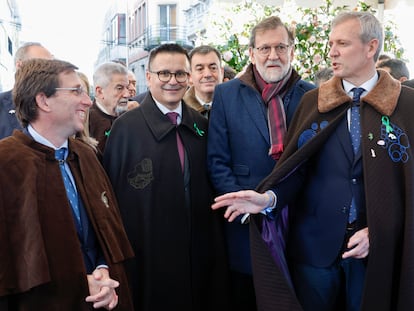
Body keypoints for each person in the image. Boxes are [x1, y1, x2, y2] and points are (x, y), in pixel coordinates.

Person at [212, 11, 414, 311]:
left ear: (371, 48)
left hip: (376, 250)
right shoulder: (315, 101)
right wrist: (268, 198)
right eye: (330, 43)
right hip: (314, 251)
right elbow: (298, 168)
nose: (331, 52)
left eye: (342, 44)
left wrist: (380, 229)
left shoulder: (406, 105)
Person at [0, 58, 134, 310]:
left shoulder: (85, 154)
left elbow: (107, 228)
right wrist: (79, 283)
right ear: (43, 100)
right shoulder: (6, 162)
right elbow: (11, 259)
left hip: (103, 298)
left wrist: (103, 269)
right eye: (75, 91)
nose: (88, 101)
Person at [103, 43, 228, 311]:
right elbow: (112, 198)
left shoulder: (202, 126)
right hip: (147, 256)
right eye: (164, 74)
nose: (173, 81)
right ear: (148, 77)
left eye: (180, 74)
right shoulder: (125, 129)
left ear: (189, 78)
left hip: (200, 254)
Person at [207, 16, 315, 311]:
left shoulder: (313, 95)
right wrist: (242, 204)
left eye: (281, 47)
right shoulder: (226, 94)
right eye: (265, 48)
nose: (273, 55)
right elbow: (217, 160)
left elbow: (317, 162)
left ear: (292, 51)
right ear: (252, 54)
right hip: (246, 225)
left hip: (301, 220)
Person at [0, 42, 53, 139]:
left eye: (52, 66)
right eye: (40, 64)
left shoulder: (57, 106)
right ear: (19, 66)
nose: (49, 71)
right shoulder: (2, 105)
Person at [89, 62, 130, 154]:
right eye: (119, 88)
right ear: (100, 92)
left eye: (127, 87)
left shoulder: (131, 117)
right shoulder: (86, 123)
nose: (127, 94)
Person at [184, 45, 224, 118]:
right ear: (190, 76)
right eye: (200, 69)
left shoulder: (237, 106)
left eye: (213, 68)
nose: (207, 74)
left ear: (221, 72)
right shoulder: (180, 111)